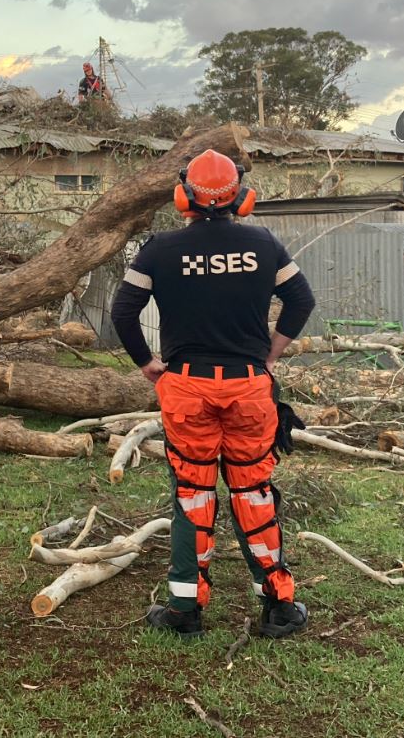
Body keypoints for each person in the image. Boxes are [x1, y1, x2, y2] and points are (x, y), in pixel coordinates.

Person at [110, 149, 316, 640]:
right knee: (253, 491)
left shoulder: (159, 249)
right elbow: (301, 300)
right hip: (248, 387)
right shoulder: (262, 244)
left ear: (184, 196)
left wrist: (148, 365)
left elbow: (122, 312)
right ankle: (279, 605)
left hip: (186, 387)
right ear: (240, 196)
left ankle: (185, 609)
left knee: (193, 495)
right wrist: (269, 357)